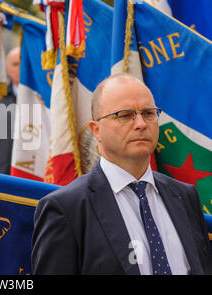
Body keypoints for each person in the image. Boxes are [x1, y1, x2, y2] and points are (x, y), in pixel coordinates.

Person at [32, 73, 211, 275]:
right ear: (96, 130)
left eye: (149, 113)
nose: (141, 124)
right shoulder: (66, 208)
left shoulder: (184, 196)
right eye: (125, 115)